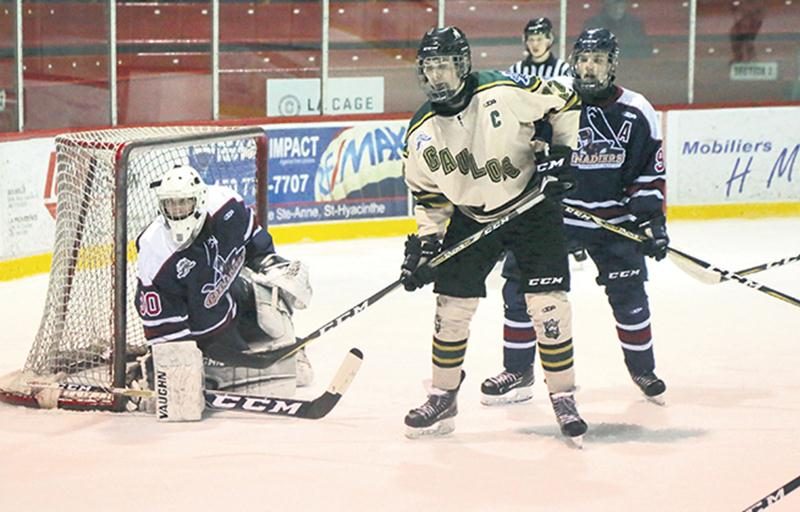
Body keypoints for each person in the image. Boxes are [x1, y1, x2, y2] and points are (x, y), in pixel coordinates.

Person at [400, 26, 587, 442]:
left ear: (463, 65)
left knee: (548, 307)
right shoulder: (420, 133)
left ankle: (563, 396)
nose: (437, 76)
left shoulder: (502, 90)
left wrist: (561, 154)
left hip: (531, 206)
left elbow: (566, 99)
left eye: (445, 66)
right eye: (430, 68)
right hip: (472, 216)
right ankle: (443, 396)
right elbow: (428, 197)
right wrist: (427, 246)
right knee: (451, 307)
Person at [480, 28, 668, 407]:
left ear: (612, 65)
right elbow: (519, 147)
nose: (589, 67)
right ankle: (518, 371)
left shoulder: (636, 109)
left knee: (629, 294)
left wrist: (651, 221)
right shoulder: (552, 98)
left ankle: (642, 369)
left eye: (598, 60)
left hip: (612, 220)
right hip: (553, 216)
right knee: (520, 287)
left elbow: (648, 172)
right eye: (583, 60)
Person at [134, 165, 313, 420]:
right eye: (170, 204)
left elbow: (257, 248)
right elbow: (167, 334)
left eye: (184, 203)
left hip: (230, 298)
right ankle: (162, 372)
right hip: (205, 333)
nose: (177, 210)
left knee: (271, 309)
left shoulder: (226, 207)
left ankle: (289, 349)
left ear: (199, 199)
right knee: (276, 376)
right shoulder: (156, 252)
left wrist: (277, 268)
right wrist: (178, 375)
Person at [584, 0, 651, 58]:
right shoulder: (593, 24)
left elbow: (645, 49)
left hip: (632, 63)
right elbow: (587, 50)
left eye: (621, 6)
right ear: (607, 6)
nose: (617, 9)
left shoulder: (635, 24)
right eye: (614, 6)